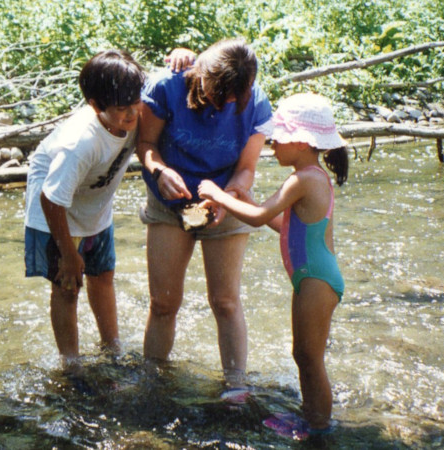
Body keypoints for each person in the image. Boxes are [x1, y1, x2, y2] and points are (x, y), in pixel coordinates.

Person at [198, 93, 348, 435]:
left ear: (300, 140)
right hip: (316, 277)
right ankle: (309, 416)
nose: (271, 143)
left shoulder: (304, 179)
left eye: (278, 138)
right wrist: (247, 199)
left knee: (310, 359)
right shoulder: (313, 177)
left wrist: (218, 194)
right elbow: (286, 227)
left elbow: (259, 217)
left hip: (316, 280)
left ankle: (320, 427)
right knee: (303, 355)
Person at [136, 38, 273, 395]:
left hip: (228, 198)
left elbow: (246, 170)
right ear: (201, 77)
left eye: (234, 97)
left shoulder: (255, 101)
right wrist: (158, 171)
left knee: (225, 301)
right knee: (164, 302)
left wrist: (226, 200)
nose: (228, 102)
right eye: (221, 94)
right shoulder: (167, 85)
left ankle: (235, 388)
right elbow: (145, 144)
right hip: (168, 203)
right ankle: (154, 382)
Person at [23, 49, 145, 364]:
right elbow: (50, 199)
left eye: (136, 103)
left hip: (93, 203)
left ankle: (111, 347)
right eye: (122, 109)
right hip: (53, 208)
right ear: (95, 105)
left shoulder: (134, 110)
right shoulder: (79, 143)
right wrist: (67, 253)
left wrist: (183, 57)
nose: (132, 115)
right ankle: (71, 363)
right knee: (68, 286)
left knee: (103, 274)